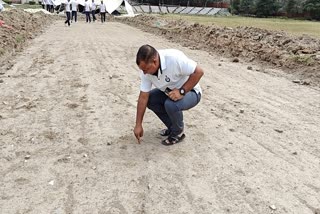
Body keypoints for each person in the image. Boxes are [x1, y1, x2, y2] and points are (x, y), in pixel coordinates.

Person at [133, 44, 204, 146]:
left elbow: (199, 72)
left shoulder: (174, 58)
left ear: (154, 61)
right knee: (150, 99)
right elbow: (143, 97)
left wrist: (182, 92)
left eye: (145, 69)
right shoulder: (146, 72)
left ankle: (178, 133)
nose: (144, 73)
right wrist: (138, 124)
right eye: (142, 70)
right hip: (169, 93)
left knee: (171, 104)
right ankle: (172, 128)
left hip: (191, 92)